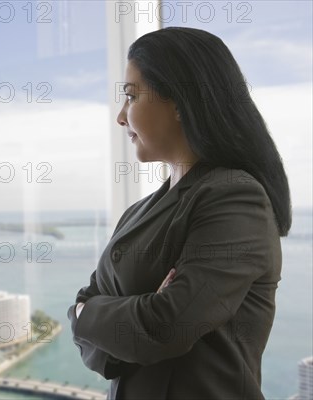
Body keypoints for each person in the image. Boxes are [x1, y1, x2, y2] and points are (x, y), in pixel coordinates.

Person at [67, 27, 292, 400]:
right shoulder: (137, 212)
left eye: (131, 96)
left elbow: (166, 327)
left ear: (179, 101)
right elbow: (102, 346)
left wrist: (88, 313)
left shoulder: (235, 197)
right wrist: (113, 317)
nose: (121, 117)